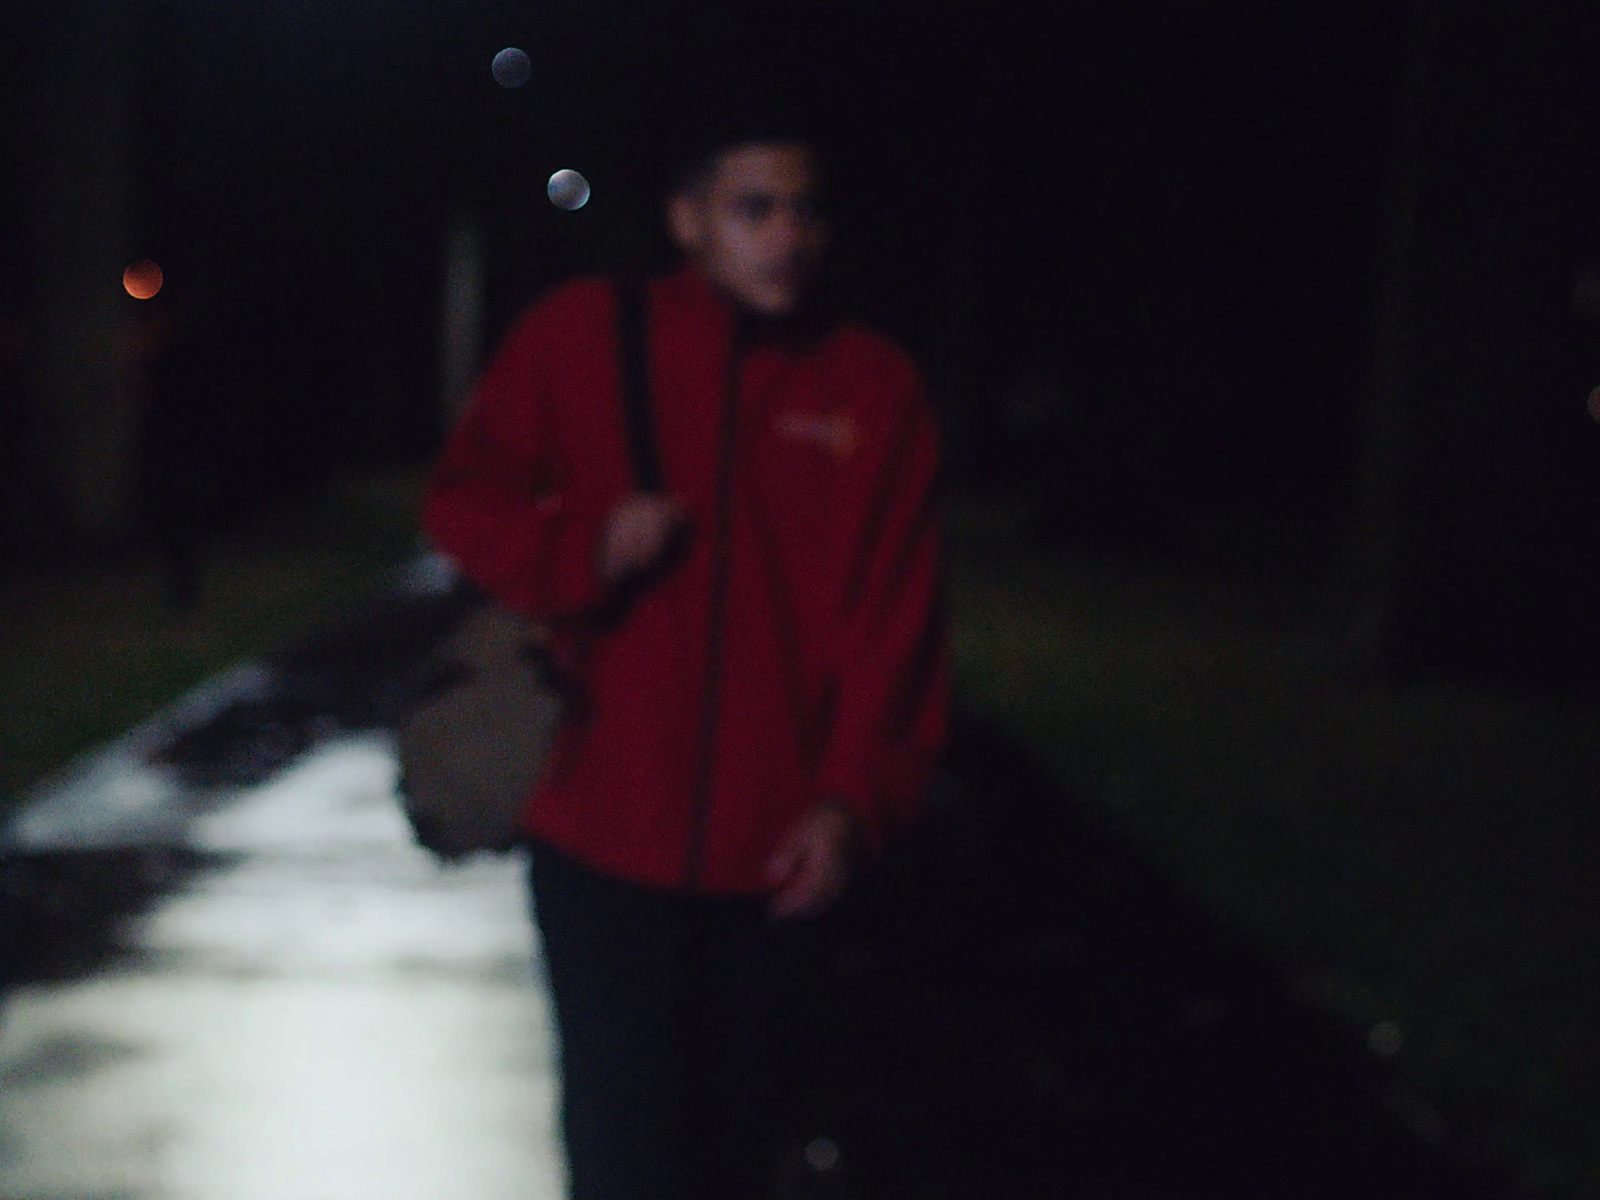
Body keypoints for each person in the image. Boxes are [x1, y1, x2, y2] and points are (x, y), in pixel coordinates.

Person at [421, 117, 949, 1200]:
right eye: (755, 208)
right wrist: (586, 548)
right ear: (689, 220)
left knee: (734, 1150)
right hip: (600, 830)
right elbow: (464, 499)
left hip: (775, 847)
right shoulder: (582, 336)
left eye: (806, 210)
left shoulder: (872, 388)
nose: (786, 237)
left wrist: (852, 803)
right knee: (620, 1151)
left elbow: (893, 626)